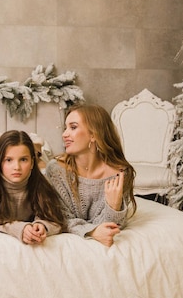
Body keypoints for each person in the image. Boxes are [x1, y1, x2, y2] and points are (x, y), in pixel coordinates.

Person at [44, 103, 136, 247]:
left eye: (73, 127)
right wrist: (92, 231)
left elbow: (112, 226)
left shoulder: (120, 174)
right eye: (65, 128)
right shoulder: (56, 170)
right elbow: (59, 217)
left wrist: (114, 208)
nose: (64, 134)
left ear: (94, 134)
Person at [0, 130, 65, 245]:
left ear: (32, 163)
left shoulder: (40, 183)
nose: (17, 167)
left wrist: (41, 225)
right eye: (9, 160)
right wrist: (19, 228)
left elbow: (55, 218)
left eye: (23, 160)